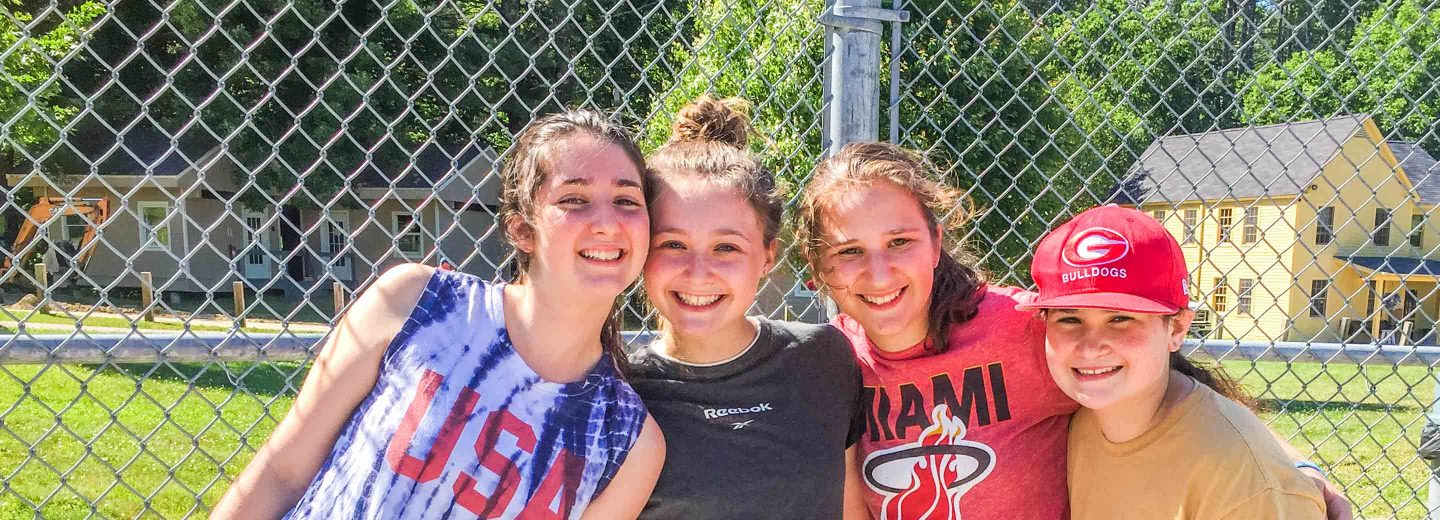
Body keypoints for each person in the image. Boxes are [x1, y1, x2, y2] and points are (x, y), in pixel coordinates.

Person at [793, 142, 1351, 519]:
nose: (879, 272)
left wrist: (1293, 470)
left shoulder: (1020, 329)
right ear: (818, 269)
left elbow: (1159, 379)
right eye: (848, 252)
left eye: (900, 242)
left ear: (936, 244)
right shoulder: (832, 363)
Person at [213, 109, 666, 519]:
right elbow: (281, 474)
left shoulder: (627, 441)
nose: (608, 221)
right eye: (574, 199)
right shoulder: (417, 303)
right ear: (522, 230)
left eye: (627, 200)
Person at [623, 95, 867, 519]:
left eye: (726, 247)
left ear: (768, 255)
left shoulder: (823, 358)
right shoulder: (620, 393)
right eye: (673, 244)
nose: (698, 273)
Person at [1017, 205, 1326, 519]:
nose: (1091, 347)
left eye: (1120, 318)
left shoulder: (1244, 482)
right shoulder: (1079, 420)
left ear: (1176, 328)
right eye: (1070, 319)